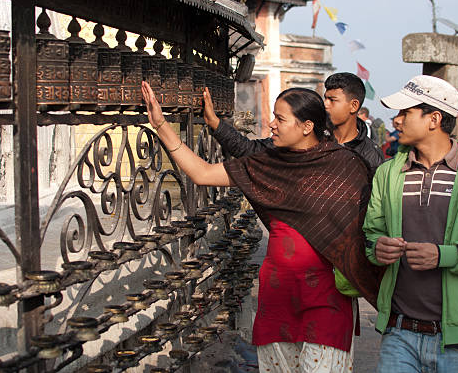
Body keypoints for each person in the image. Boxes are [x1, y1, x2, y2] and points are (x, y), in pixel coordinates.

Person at [142, 81, 381, 372]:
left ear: (307, 126)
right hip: (278, 297)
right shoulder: (266, 163)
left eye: (280, 118)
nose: (271, 124)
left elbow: (367, 229)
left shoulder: (345, 166)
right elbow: (202, 173)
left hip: (328, 299)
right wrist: (161, 125)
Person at [363, 75, 458, 373]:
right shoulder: (387, 174)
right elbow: (371, 234)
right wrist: (377, 248)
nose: (396, 121)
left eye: (405, 113)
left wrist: (444, 256)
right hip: (399, 333)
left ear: (434, 118)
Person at [203, 72, 384, 173]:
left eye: (332, 100)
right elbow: (250, 150)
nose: (326, 105)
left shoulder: (370, 155)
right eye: (325, 98)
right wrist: (215, 123)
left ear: (353, 106)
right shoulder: (309, 137)